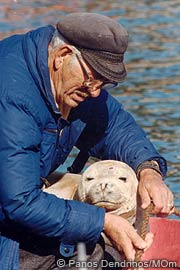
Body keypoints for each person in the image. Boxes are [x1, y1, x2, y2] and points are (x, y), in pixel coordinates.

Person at [0, 12, 174, 270]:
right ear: (63, 56)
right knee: (94, 255)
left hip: (14, 210)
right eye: (92, 80)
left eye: (104, 84)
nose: (94, 92)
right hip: (9, 224)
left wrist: (149, 171)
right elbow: (19, 201)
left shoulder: (69, 77)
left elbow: (114, 125)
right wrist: (102, 223)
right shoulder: (13, 97)